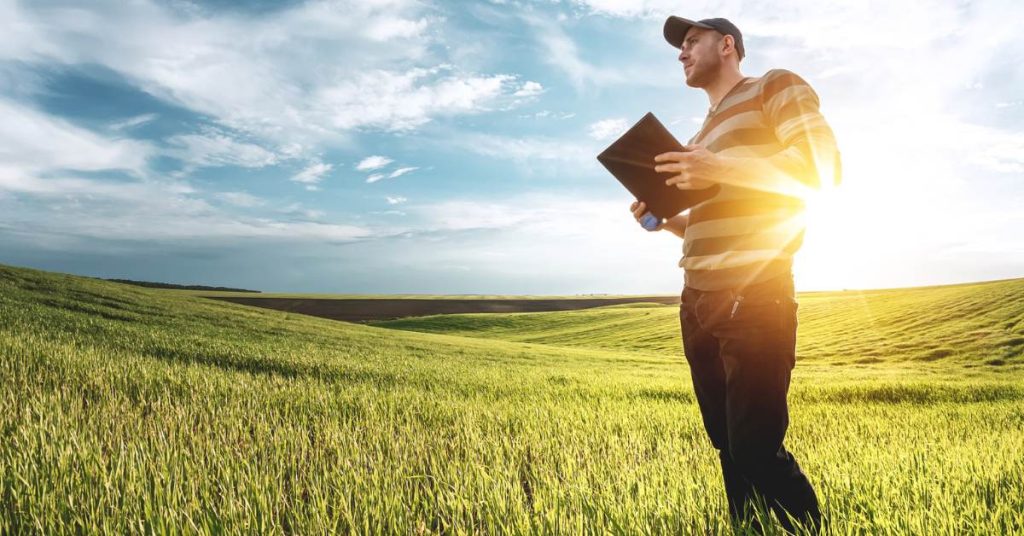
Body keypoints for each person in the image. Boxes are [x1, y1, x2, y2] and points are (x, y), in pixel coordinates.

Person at [629, 16, 841, 534]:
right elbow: (709, 222)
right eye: (680, 47)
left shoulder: (775, 86)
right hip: (696, 299)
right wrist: (667, 220)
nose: (681, 53)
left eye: (691, 41)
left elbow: (822, 168)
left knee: (754, 444)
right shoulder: (701, 135)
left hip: (755, 293)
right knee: (726, 441)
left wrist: (717, 169)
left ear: (727, 45)